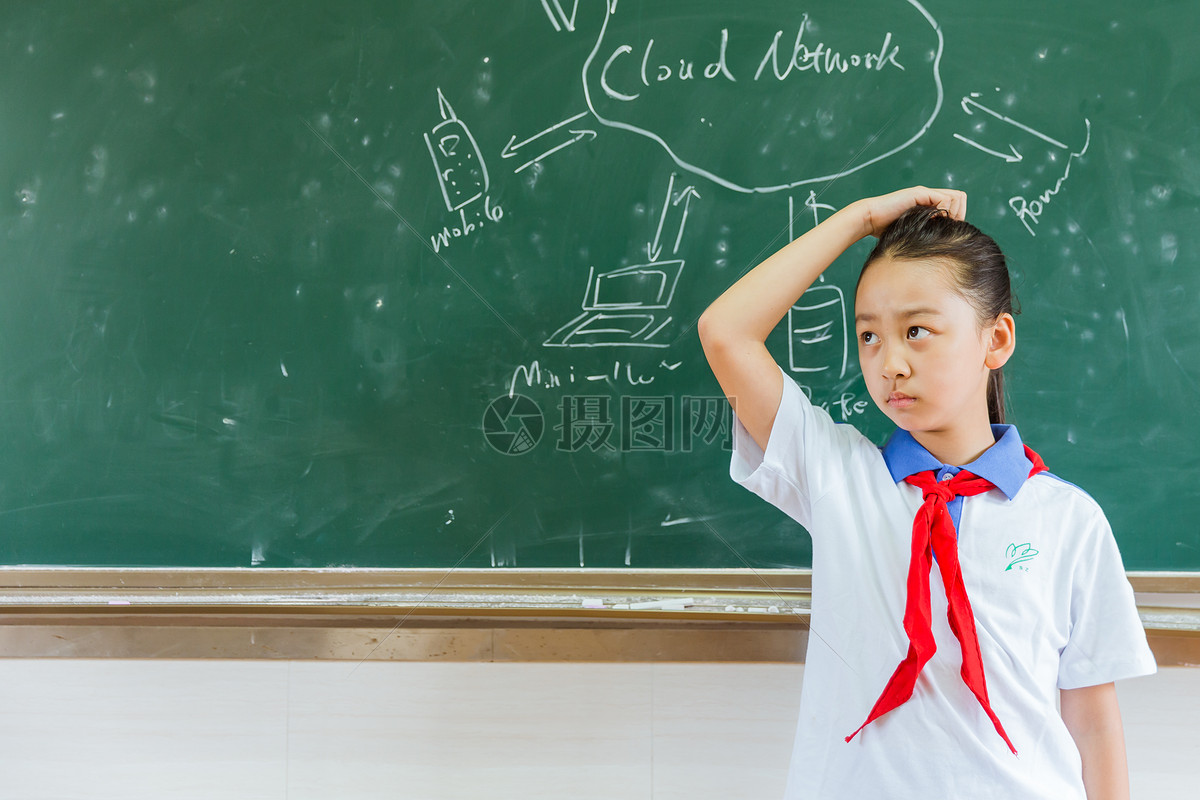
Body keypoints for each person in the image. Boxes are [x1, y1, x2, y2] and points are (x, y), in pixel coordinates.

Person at [697, 187, 1156, 799]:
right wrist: (860, 220)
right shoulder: (839, 479)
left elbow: (1093, 720)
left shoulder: (1067, 519)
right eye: (869, 337)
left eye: (917, 331)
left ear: (995, 340)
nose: (889, 363)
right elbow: (725, 332)